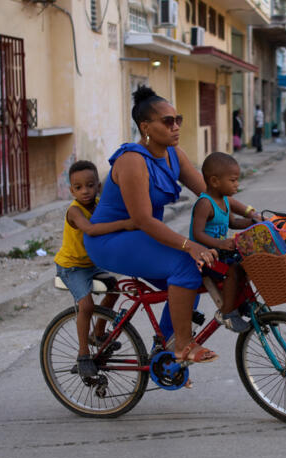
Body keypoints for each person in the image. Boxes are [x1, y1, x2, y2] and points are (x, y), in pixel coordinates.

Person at [84, 86, 220, 363]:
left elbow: (207, 194)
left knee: (195, 275)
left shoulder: (173, 154)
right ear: (145, 127)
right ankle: (182, 345)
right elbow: (143, 220)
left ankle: (167, 349)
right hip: (113, 239)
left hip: (142, 237)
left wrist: (252, 216)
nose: (176, 126)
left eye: (177, 119)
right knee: (185, 264)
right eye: (168, 121)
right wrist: (190, 245)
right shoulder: (132, 161)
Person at [54, 160, 135, 378]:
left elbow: (114, 219)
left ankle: (98, 333)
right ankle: (82, 356)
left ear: (98, 186)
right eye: (79, 187)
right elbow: (90, 229)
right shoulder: (74, 211)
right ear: (71, 191)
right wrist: (125, 224)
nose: (85, 191)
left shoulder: (100, 204)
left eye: (90, 185)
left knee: (115, 288)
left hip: (92, 263)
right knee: (86, 305)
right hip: (72, 267)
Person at [188, 152, 262, 333]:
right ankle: (227, 312)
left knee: (244, 263)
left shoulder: (224, 201)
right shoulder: (205, 203)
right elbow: (197, 234)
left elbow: (233, 222)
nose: (237, 185)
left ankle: (243, 303)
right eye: (233, 180)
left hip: (218, 252)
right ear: (214, 181)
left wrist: (254, 222)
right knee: (232, 271)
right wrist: (219, 244)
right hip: (203, 256)